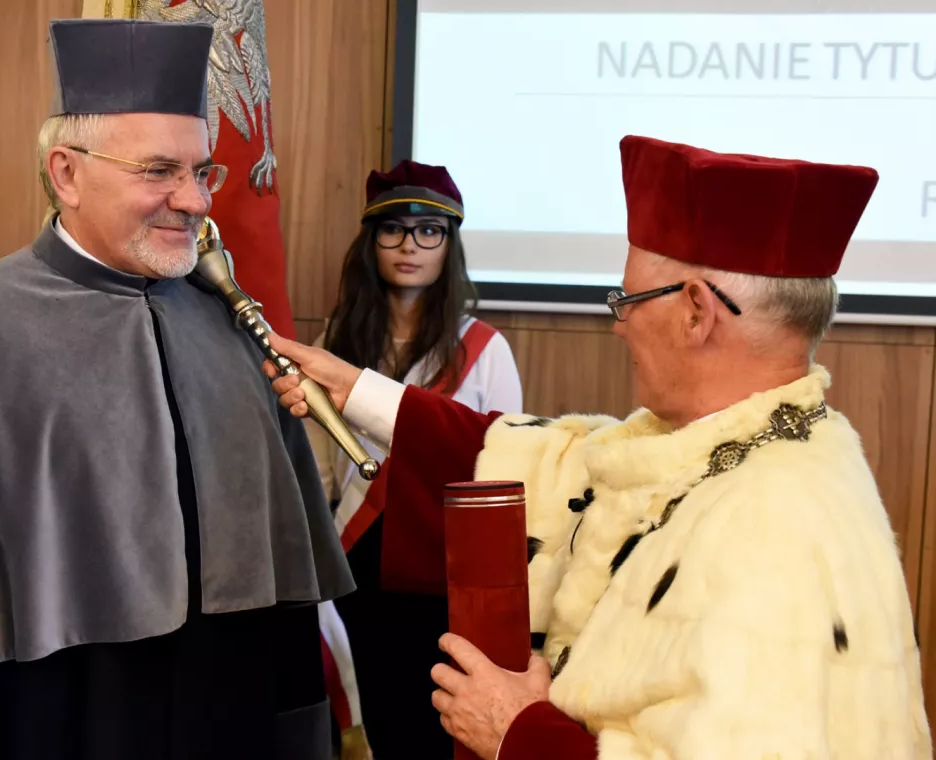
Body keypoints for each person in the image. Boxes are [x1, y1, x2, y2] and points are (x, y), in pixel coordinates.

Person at [265, 135, 932, 759]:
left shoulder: (776, 528)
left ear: (696, 310)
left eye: (628, 298)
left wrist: (517, 730)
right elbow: (553, 462)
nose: (620, 326)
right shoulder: (737, 439)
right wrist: (356, 390)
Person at [0, 18, 352, 760]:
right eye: (159, 171)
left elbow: (282, 630)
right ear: (66, 172)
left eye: (202, 171)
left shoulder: (230, 333)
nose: (195, 201)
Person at [311, 159, 522, 759]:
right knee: (374, 718)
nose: (410, 245)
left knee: (435, 727)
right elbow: (323, 467)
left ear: (449, 245)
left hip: (441, 572)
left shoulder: (483, 349)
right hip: (358, 564)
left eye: (430, 230)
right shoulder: (338, 344)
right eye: (394, 229)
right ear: (370, 240)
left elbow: (502, 472)